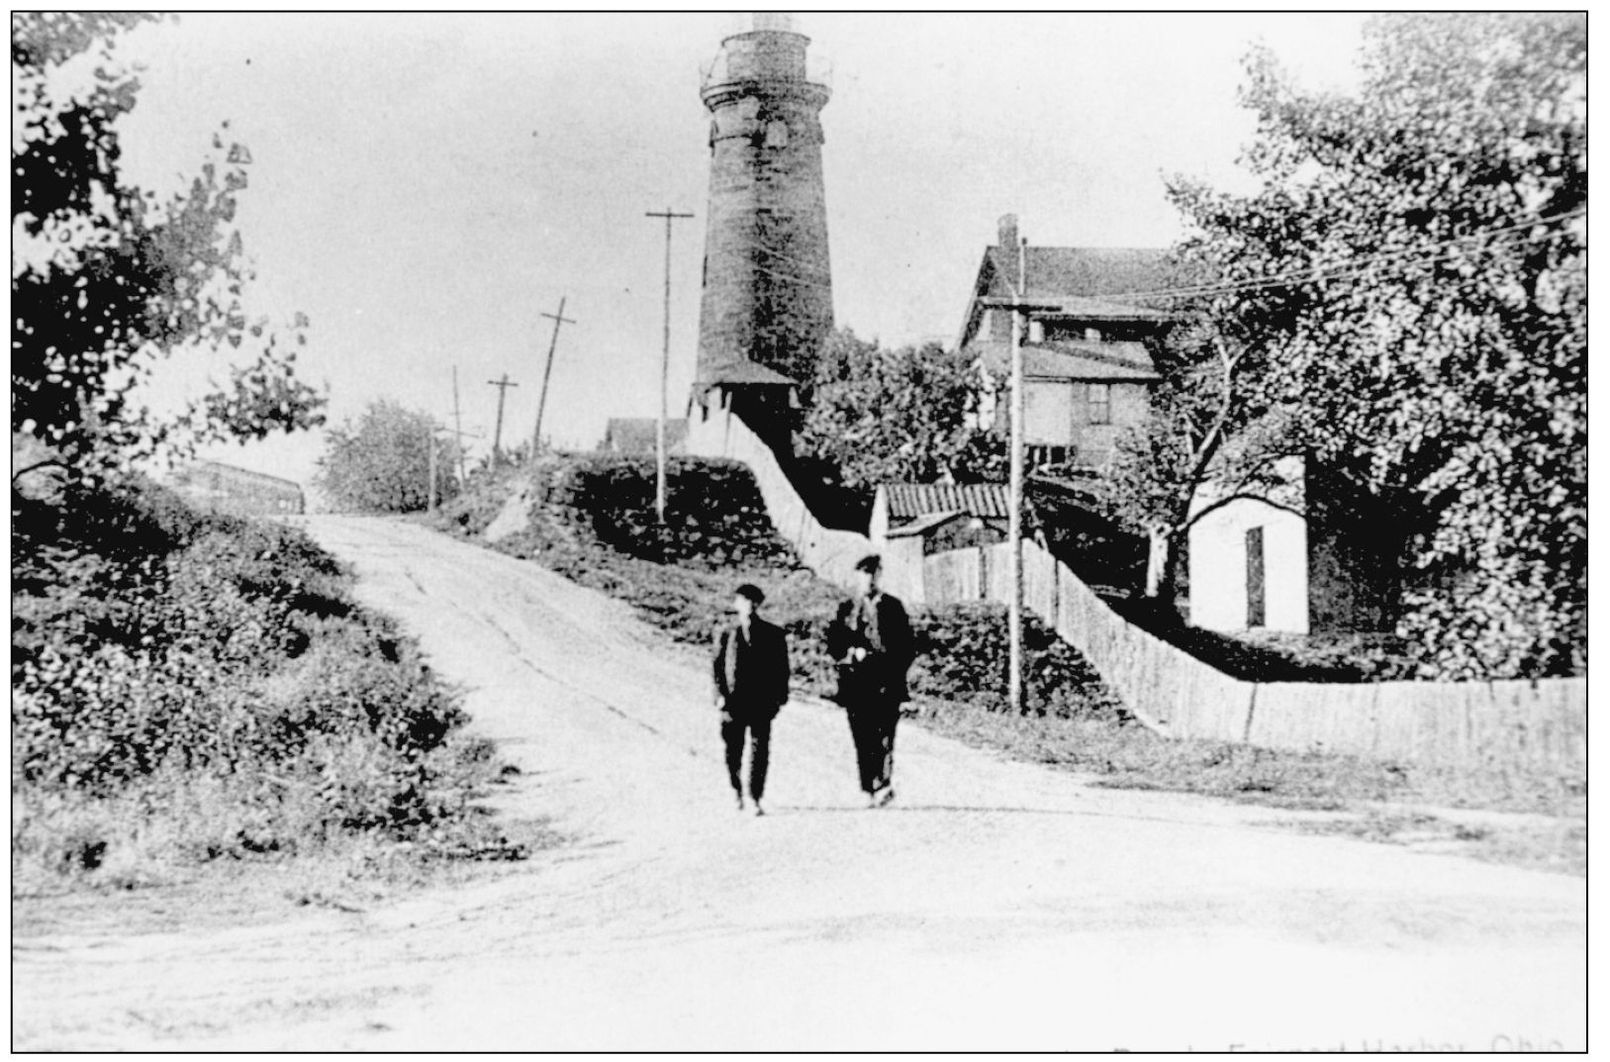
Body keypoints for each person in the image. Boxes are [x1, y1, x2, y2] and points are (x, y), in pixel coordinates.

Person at [826, 554, 915, 808]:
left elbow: (908, 646)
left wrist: (894, 668)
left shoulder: (893, 607)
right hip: (857, 684)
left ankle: (884, 784)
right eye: (864, 575)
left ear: (879, 576)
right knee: (863, 737)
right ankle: (867, 786)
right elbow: (834, 643)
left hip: (887, 683)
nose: (868, 580)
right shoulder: (847, 608)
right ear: (858, 577)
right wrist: (851, 653)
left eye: (873, 575)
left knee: (886, 735)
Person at [712, 582, 790, 816]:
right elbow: (716, 668)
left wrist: (779, 699)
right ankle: (736, 790)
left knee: (759, 750)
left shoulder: (773, 634)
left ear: (758, 604)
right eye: (743, 601)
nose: (748, 606)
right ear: (737, 604)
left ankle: (755, 796)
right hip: (733, 702)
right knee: (732, 749)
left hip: (760, 702)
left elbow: (781, 670)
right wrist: (719, 696)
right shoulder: (727, 634)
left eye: (752, 602)